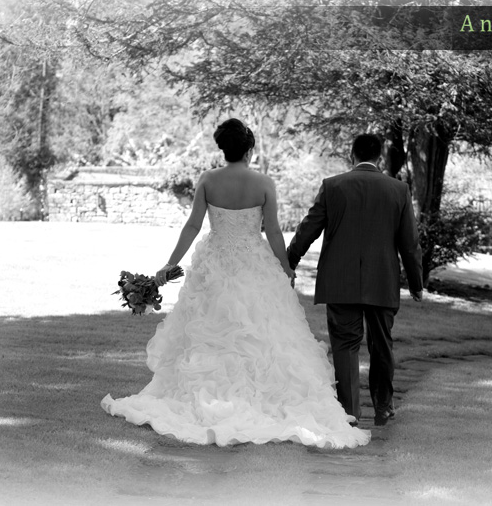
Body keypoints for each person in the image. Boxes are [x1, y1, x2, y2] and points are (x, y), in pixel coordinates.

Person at [101, 119, 370, 448]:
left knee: (207, 329)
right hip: (254, 266)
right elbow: (272, 232)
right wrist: (285, 268)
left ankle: (209, 397)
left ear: (223, 148)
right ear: (249, 149)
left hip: (214, 266)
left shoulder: (208, 180)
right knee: (263, 332)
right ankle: (261, 399)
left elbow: (192, 226)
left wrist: (170, 263)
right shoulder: (264, 183)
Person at [286, 133, 424, 427]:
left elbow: (308, 228)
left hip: (340, 280)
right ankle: (383, 407)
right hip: (382, 280)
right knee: (381, 345)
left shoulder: (333, 186)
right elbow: (410, 244)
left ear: (352, 155)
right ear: (380, 157)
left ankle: (349, 413)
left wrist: (289, 262)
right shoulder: (398, 190)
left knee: (345, 346)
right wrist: (415, 283)